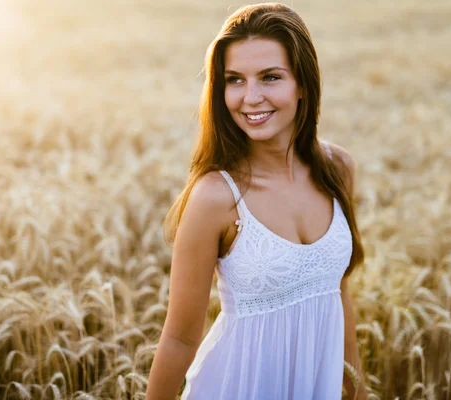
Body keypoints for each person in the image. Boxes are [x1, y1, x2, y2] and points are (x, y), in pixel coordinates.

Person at [146, 3, 367, 399]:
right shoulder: (216, 198)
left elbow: (339, 291)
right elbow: (179, 338)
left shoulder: (338, 168)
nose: (250, 98)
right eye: (234, 80)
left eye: (270, 77)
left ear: (303, 83)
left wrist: (357, 389)